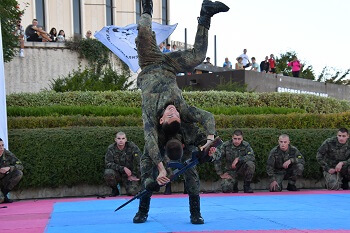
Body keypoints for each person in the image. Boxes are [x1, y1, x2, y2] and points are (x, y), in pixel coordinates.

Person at [132, 0, 229, 225]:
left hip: (149, 63)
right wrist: (160, 172)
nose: (173, 110)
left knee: (144, 33)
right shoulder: (182, 111)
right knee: (198, 56)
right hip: (169, 66)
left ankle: (195, 213)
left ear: (161, 120)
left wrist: (209, 142)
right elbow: (207, 116)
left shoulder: (150, 113)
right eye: (175, 114)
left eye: (170, 114)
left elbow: (150, 138)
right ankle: (206, 17)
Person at [104, 132, 141, 196]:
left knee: (132, 192)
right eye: (119, 138)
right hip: (117, 174)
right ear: (115, 140)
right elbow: (108, 164)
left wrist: (137, 176)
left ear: (126, 139)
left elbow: (140, 161)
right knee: (108, 172)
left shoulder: (132, 147)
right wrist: (123, 168)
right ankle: (115, 190)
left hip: (129, 175)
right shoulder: (111, 148)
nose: (121, 140)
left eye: (123, 138)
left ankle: (133, 188)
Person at [0, 138, 24, 204]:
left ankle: (4, 194)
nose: (1, 148)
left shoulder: (7, 153)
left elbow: (20, 165)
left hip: (3, 179)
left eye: (2, 145)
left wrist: (9, 168)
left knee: (18, 173)